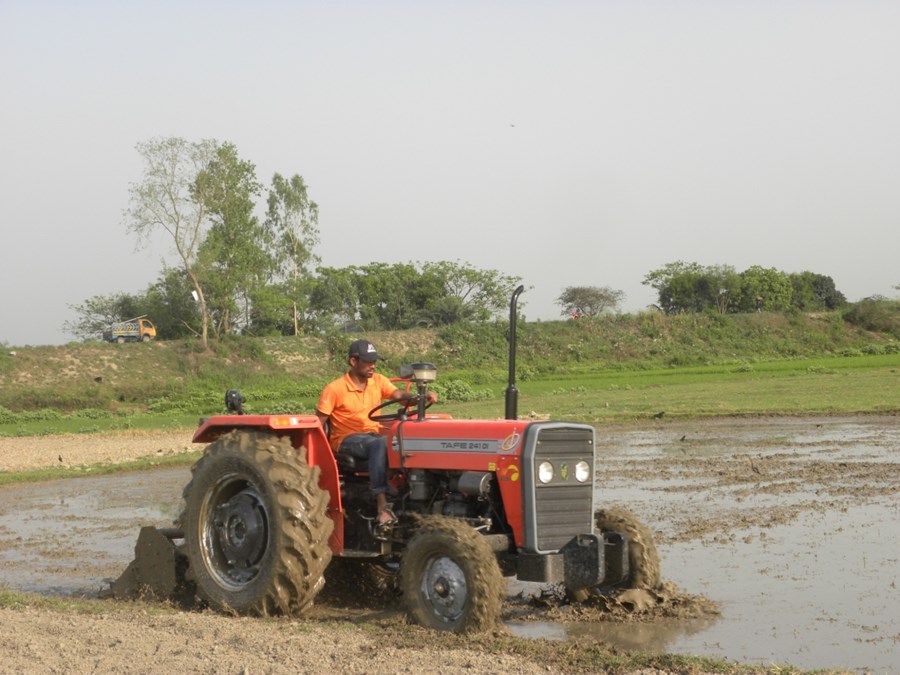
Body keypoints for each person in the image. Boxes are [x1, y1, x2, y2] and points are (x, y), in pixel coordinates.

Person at [316, 339, 437, 528]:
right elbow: (318, 423)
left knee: (399, 441)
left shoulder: (378, 381)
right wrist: (322, 458)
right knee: (380, 443)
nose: (373, 365)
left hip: (371, 436)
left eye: (374, 361)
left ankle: (411, 492)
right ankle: (382, 504)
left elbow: (399, 396)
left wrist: (420, 397)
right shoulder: (335, 389)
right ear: (353, 361)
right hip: (346, 440)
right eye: (368, 361)